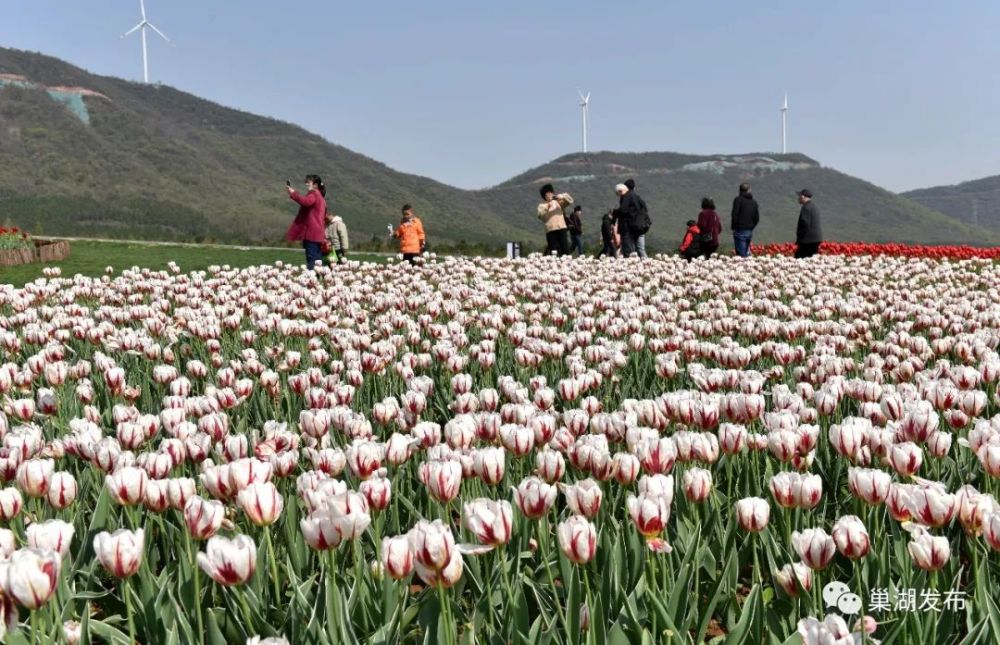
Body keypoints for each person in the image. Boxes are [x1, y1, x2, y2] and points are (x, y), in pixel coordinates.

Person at [285, 174, 327, 270]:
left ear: (315, 185)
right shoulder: (321, 197)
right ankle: (319, 279)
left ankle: (312, 278)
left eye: (308, 182)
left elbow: (306, 202)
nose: (306, 183)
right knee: (318, 260)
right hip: (319, 233)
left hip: (312, 233)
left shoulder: (314, 194)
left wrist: (293, 193)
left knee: (311, 259)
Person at [536, 184, 573, 256]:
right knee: (554, 251)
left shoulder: (558, 203)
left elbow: (570, 200)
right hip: (551, 231)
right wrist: (549, 204)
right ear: (544, 196)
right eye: (547, 193)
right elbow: (540, 215)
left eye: (550, 192)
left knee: (565, 249)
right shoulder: (542, 206)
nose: (549, 194)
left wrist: (562, 196)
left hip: (562, 228)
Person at [731, 182, 760, 257]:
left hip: (739, 230)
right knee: (745, 253)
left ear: (740, 190)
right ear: (749, 190)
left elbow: (734, 214)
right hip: (749, 231)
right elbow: (756, 218)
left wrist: (735, 227)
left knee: (741, 256)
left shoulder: (738, 200)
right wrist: (751, 227)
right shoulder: (754, 202)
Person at [624, 178, 650, 258]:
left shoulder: (627, 197)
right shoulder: (639, 198)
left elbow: (623, 210)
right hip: (641, 226)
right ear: (634, 187)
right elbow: (645, 209)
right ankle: (647, 264)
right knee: (641, 249)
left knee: (632, 249)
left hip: (632, 226)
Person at [795, 189, 823, 258]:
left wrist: (799, 237)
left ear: (803, 197)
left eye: (799, 196)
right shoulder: (814, 206)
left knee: (799, 258)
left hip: (807, 240)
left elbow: (805, 224)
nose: (798, 198)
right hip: (816, 239)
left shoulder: (806, 207)